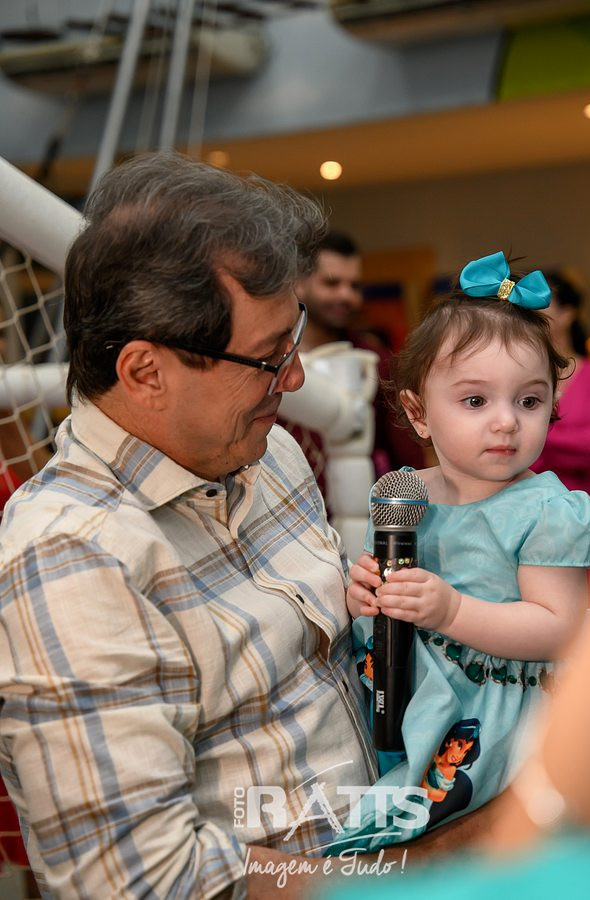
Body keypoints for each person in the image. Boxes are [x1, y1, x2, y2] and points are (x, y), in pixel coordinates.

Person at [0, 153, 495, 899]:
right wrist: (419, 871)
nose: (294, 378)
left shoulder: (268, 454)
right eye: (268, 358)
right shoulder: (72, 557)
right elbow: (144, 881)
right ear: (144, 372)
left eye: (292, 341)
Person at [330, 251, 590, 854]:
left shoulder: (548, 509)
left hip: (496, 708)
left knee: (450, 841)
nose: (506, 422)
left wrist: (452, 611)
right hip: (401, 688)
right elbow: (390, 591)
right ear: (418, 413)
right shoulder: (401, 493)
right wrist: (366, 594)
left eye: (528, 401)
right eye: (476, 401)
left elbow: (557, 627)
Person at [280, 230, 424, 500]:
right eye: (332, 283)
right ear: (299, 283)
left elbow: (407, 461)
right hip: (278, 510)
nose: (345, 295)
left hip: (354, 513)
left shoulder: (374, 362)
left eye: (354, 286)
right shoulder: (272, 359)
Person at [531, 269, 590, 537]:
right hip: (527, 507)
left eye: (542, 303)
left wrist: (537, 438)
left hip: (582, 506)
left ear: (567, 314)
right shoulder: (520, 376)